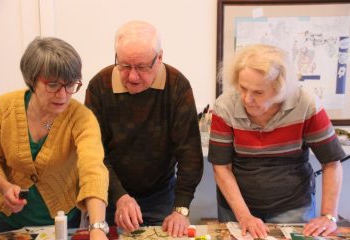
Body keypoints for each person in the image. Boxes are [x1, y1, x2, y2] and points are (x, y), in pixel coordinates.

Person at [208, 44, 345, 238]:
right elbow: (221, 168)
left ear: (280, 89)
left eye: (258, 92)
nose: (247, 99)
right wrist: (245, 216)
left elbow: (331, 162)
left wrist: (328, 216)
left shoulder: (306, 104)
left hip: (293, 206)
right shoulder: (226, 106)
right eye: (243, 88)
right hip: (238, 207)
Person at [85, 20, 203, 237]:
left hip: (161, 196)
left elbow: (190, 154)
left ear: (159, 58)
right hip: (109, 196)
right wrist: (119, 196)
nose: (132, 76)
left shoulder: (177, 86)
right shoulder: (99, 86)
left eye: (141, 67)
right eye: (124, 65)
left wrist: (181, 209)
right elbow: (94, 154)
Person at [0, 37, 109, 239]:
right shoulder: (2, 109)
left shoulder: (81, 118)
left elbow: (93, 169)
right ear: (31, 80)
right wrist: (5, 186)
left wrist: (97, 226)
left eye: (71, 85)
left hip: (61, 221)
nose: (63, 95)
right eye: (52, 85)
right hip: (8, 220)